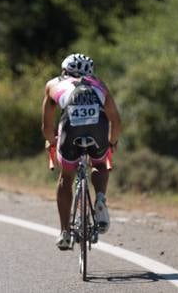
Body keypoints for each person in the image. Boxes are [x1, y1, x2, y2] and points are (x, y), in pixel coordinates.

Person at [41, 52, 121, 251]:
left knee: (66, 177)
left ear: (64, 70)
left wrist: (51, 142)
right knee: (100, 164)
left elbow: (46, 125)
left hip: (70, 128)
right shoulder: (99, 84)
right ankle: (100, 197)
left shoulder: (53, 84)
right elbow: (116, 121)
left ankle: (65, 232)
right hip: (98, 129)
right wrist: (112, 142)